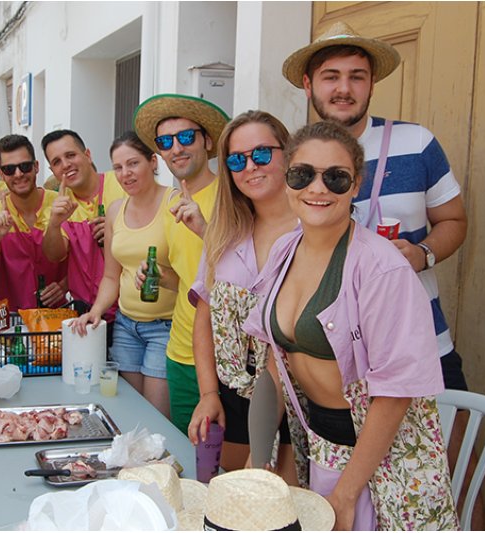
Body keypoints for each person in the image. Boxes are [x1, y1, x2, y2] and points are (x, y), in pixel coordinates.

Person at [282, 20, 476, 522]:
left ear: (372, 83)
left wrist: (421, 254)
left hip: (420, 342)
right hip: (331, 360)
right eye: (330, 76)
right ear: (309, 84)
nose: (343, 88)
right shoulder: (295, 159)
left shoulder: (417, 142)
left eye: (356, 76)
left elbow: (454, 221)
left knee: (433, 476)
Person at [244, 121, 458, 529]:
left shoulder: (382, 269)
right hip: (320, 444)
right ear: (287, 179)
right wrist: (259, 457)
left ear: (356, 184)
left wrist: (345, 494)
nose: (317, 188)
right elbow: (274, 363)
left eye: (336, 177)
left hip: (380, 461)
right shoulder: (284, 250)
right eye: (303, 174)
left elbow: (395, 393)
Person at [186, 111, 299, 479]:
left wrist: (265, 435)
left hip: (297, 403)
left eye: (262, 154)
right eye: (237, 160)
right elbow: (204, 319)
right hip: (232, 397)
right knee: (237, 501)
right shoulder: (224, 230)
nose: (250, 166)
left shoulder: (311, 230)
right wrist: (208, 394)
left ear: (289, 154)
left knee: (283, 510)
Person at [133, 94, 229, 434]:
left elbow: (247, 270)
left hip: (224, 357)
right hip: (180, 352)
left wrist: (206, 229)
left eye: (186, 137)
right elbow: (189, 276)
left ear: (206, 140)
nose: (177, 148)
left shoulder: (233, 197)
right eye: (166, 141)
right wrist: (159, 276)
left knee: (225, 467)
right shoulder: (173, 202)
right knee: (190, 456)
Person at [71, 132, 177, 417]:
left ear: (153, 162)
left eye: (133, 164)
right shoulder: (116, 210)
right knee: (129, 411)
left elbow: (194, 276)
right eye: (118, 167)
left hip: (165, 327)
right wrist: (96, 310)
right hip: (126, 325)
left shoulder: (174, 203)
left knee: (157, 417)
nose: (125, 174)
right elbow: (110, 275)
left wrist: (163, 276)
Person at [0, 134, 67, 310]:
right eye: (9, 169)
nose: (18, 174)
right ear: (1, 174)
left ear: (36, 167)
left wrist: (65, 285)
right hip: (13, 324)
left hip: (62, 318)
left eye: (24, 166)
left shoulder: (61, 203)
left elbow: (87, 258)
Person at [41, 129, 125, 317]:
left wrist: (117, 230)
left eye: (70, 155)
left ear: (87, 155)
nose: (65, 164)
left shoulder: (120, 183)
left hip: (128, 312)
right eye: (56, 162)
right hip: (86, 314)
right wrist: (54, 224)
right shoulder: (60, 203)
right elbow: (55, 255)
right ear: (52, 171)